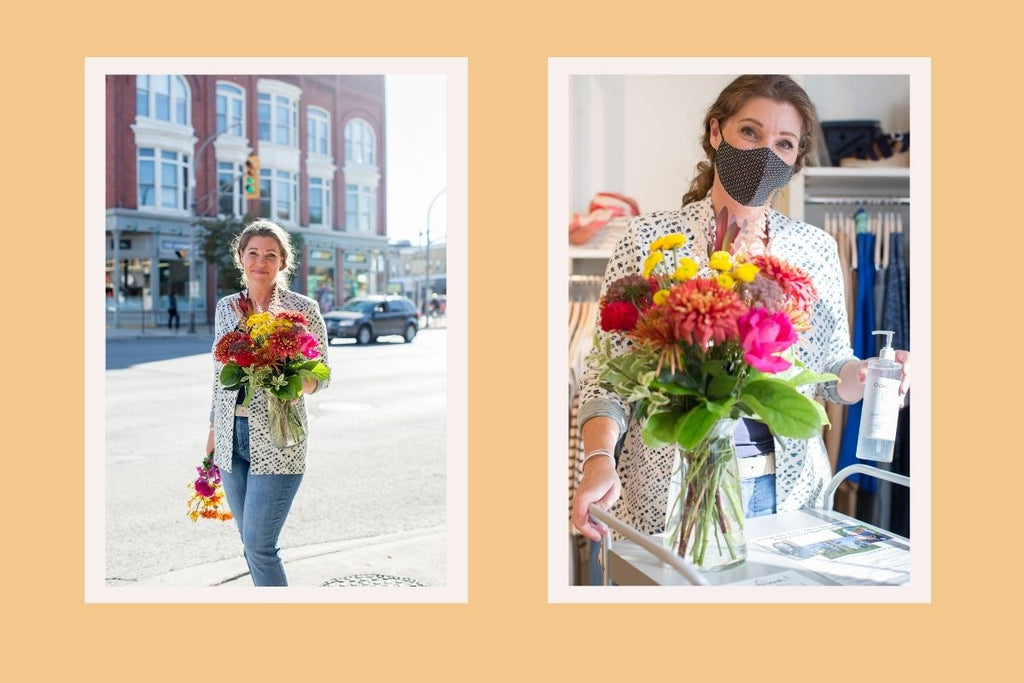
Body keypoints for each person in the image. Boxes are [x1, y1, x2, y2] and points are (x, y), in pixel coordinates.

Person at [571, 75, 911, 544]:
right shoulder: (647, 240)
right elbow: (607, 372)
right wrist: (598, 460)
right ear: (716, 133)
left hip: (789, 493)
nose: (765, 153)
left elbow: (832, 371)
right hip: (669, 490)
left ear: (795, 160)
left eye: (784, 143)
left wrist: (872, 375)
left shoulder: (815, 249)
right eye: (750, 132)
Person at [205, 219, 331, 586]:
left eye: (270, 255)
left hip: (279, 440)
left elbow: (321, 377)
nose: (261, 261)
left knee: (260, 546)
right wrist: (213, 431)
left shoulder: (302, 309)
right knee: (249, 544)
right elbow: (218, 375)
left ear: (282, 262)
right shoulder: (227, 308)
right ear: (240, 257)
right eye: (254, 253)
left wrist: (286, 370)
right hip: (231, 438)